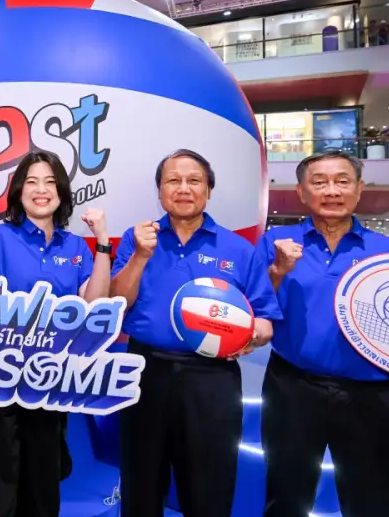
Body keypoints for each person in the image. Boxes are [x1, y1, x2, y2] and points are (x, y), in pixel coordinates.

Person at [110, 149, 279, 517]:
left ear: (208, 190)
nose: (183, 188)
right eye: (173, 180)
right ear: (160, 191)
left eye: (194, 180)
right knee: (140, 483)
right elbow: (117, 303)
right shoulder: (137, 239)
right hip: (144, 371)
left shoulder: (238, 249)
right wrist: (140, 256)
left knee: (209, 487)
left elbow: (265, 318)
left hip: (212, 378)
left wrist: (253, 335)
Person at [0, 151, 111, 517]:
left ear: (62, 191)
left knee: (40, 489)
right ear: (19, 190)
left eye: (50, 182)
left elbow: (95, 306)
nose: (42, 190)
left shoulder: (75, 247)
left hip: (48, 385)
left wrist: (102, 241)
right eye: (33, 182)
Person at [255, 151, 389, 517]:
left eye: (342, 181)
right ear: (301, 192)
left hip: (370, 391)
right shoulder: (275, 242)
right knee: (287, 493)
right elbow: (255, 306)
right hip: (291, 386)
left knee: (377, 499)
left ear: (359, 189)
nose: (332, 191)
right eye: (319, 182)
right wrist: (278, 271)